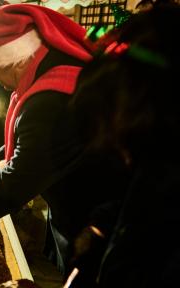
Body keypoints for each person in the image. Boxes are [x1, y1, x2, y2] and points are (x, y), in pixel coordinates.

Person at [0, 4, 129, 275]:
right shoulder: (52, 69)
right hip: (83, 203)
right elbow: (35, 138)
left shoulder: (51, 97)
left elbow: (19, 180)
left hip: (94, 218)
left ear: (18, 58)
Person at [66, 4, 180, 287]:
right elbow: (139, 199)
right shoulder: (161, 161)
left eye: (125, 141)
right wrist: (100, 228)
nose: (125, 156)